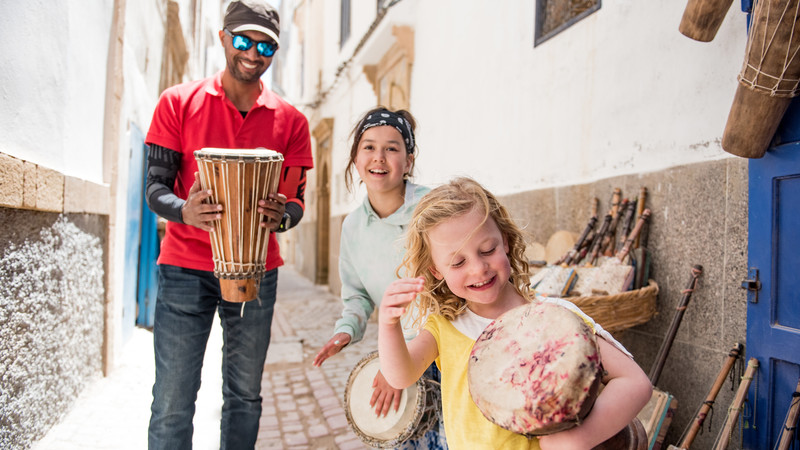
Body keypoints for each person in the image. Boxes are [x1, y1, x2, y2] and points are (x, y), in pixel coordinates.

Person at [143, 0, 313, 448]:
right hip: (183, 269)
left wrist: (282, 217)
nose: (253, 53)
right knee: (172, 401)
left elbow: (296, 202)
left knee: (244, 396)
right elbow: (155, 188)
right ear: (223, 38)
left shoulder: (293, 121)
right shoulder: (177, 102)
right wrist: (184, 210)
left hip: (257, 271)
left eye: (265, 46)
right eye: (243, 40)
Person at [378, 178, 653, 450]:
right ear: (437, 270)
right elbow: (401, 376)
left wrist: (578, 439)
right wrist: (388, 326)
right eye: (458, 262)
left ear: (506, 241)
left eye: (488, 250)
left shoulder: (554, 319)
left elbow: (635, 382)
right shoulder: (445, 327)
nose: (478, 268)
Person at [311, 107, 446, 448]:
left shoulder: (435, 207)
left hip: (446, 349)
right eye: (369, 146)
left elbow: (452, 290)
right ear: (356, 158)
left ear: (409, 160)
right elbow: (357, 295)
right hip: (399, 352)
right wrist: (346, 331)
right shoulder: (353, 227)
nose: (379, 157)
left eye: (392, 148)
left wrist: (397, 367)